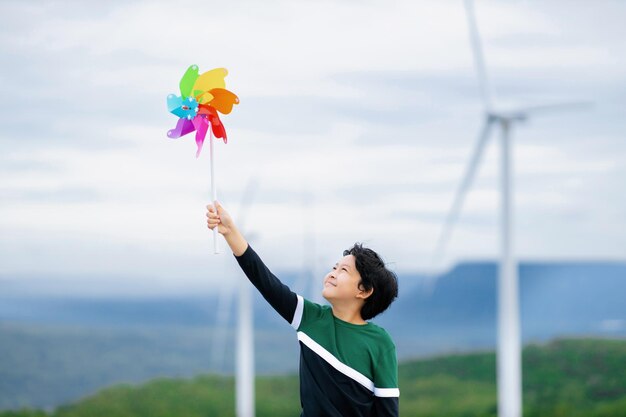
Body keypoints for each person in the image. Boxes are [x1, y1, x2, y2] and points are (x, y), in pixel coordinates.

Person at [206, 201, 400, 417]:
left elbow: (387, 411)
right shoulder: (310, 317)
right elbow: (265, 281)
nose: (333, 273)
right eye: (334, 267)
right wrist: (230, 231)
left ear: (364, 291)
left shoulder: (380, 343)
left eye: (343, 270)